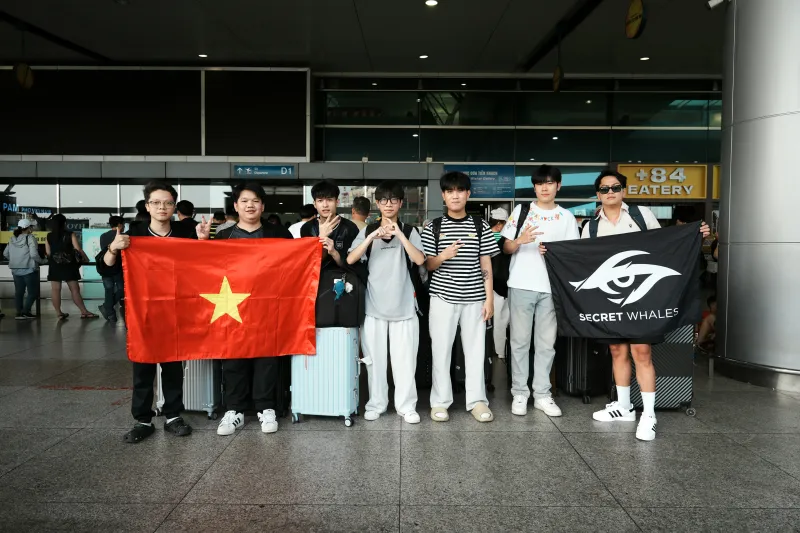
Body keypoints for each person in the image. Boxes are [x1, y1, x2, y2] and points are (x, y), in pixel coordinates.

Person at [577, 169, 710, 441]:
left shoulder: (641, 215)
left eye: (615, 187)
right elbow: (581, 259)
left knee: (642, 352)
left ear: (623, 191)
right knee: (617, 351)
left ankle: (649, 415)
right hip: (609, 299)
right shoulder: (590, 227)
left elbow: (665, 246)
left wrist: (694, 234)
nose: (610, 192)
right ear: (598, 194)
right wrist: (550, 252)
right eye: (604, 189)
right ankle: (624, 407)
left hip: (641, 296)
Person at [196, 182, 293, 437]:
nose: (250, 205)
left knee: (267, 358)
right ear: (236, 206)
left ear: (262, 206)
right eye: (245, 201)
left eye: (255, 201)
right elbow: (206, 270)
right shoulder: (223, 236)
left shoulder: (279, 234)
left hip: (267, 308)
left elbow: (294, 265)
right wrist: (203, 244)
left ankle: (266, 407)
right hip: (231, 307)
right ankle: (234, 409)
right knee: (233, 357)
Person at [104, 181, 196, 444]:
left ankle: (173, 416)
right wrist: (113, 248)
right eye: (156, 202)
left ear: (174, 206)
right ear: (147, 206)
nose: (162, 207)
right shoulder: (134, 234)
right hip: (142, 310)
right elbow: (107, 267)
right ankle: (143, 420)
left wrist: (202, 242)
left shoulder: (185, 233)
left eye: (167, 203)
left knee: (173, 365)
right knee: (143, 364)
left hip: (176, 309)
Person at [421, 171, 500, 424]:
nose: (455, 196)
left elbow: (486, 262)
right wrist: (444, 255)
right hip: (442, 298)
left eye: (460, 190)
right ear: (443, 196)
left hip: (475, 298)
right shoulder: (433, 227)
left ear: (468, 194)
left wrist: (489, 299)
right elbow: (428, 265)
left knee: (476, 352)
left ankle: (477, 401)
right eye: (450, 191)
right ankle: (440, 402)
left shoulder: (480, 225)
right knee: (440, 351)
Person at [346, 181, 426, 425]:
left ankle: (406, 406)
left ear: (400, 203)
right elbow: (350, 259)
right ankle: (376, 404)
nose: (388, 204)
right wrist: (372, 236)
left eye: (393, 200)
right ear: (377, 204)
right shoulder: (368, 230)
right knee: (375, 362)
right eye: (383, 200)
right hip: (374, 308)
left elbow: (420, 259)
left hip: (405, 307)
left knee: (405, 362)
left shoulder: (410, 231)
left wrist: (399, 234)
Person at [503, 165, 579, 418]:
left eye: (549, 183)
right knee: (519, 342)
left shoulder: (566, 217)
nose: (544, 188)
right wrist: (520, 241)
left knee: (546, 344)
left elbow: (573, 254)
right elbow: (505, 248)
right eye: (539, 183)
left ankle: (542, 394)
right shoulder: (522, 211)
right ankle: (520, 392)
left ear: (558, 186)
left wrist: (556, 253)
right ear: (534, 187)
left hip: (551, 287)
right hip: (521, 283)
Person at [45, 214, 97, 320]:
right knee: (74, 290)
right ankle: (84, 312)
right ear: (64, 223)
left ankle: (59, 313)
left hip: (55, 265)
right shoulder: (70, 234)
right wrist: (86, 259)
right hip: (69, 265)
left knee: (55, 290)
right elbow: (78, 249)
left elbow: (48, 253)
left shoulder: (49, 236)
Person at [300, 180, 360, 269]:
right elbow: (309, 263)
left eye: (329, 200)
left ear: (337, 202)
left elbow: (354, 265)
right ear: (315, 204)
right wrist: (321, 237)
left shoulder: (350, 228)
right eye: (320, 200)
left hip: (342, 276)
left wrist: (335, 253)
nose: (325, 205)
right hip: (316, 277)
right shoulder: (307, 228)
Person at [3, 218, 45, 319]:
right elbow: (34, 254)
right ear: (28, 228)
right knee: (33, 292)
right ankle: (25, 312)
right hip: (29, 269)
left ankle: (19, 313)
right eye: (32, 227)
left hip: (15, 269)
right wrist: (43, 261)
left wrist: (15, 260)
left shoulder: (12, 238)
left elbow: (5, 253)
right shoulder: (30, 238)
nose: (33, 228)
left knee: (19, 292)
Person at [488, 207, 510, 359]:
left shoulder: (483, 237)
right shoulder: (505, 240)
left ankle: (489, 351)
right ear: (500, 224)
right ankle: (500, 352)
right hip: (501, 286)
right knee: (501, 321)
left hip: (484, 286)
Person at [98, 216, 126, 322]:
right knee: (122, 289)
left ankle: (110, 312)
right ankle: (107, 308)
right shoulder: (123, 236)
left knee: (109, 290)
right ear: (120, 225)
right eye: (123, 224)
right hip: (118, 267)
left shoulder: (103, 236)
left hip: (105, 266)